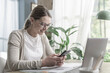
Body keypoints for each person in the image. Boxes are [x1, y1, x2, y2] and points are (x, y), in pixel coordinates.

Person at [4, 5, 65, 72]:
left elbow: (51, 55)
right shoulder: (16, 35)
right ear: (32, 20)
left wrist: (57, 60)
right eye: (42, 24)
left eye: (48, 25)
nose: (45, 28)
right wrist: (43, 63)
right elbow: (13, 65)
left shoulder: (42, 37)